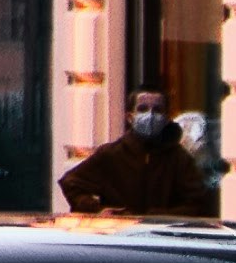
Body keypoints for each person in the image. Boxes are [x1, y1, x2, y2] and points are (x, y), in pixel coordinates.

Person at [61, 84, 213, 214]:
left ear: (167, 117)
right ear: (130, 117)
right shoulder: (112, 154)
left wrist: (160, 218)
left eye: (157, 110)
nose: (150, 115)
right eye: (143, 109)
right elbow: (71, 183)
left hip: (163, 239)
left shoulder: (179, 158)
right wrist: (97, 210)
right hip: (120, 238)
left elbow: (199, 203)